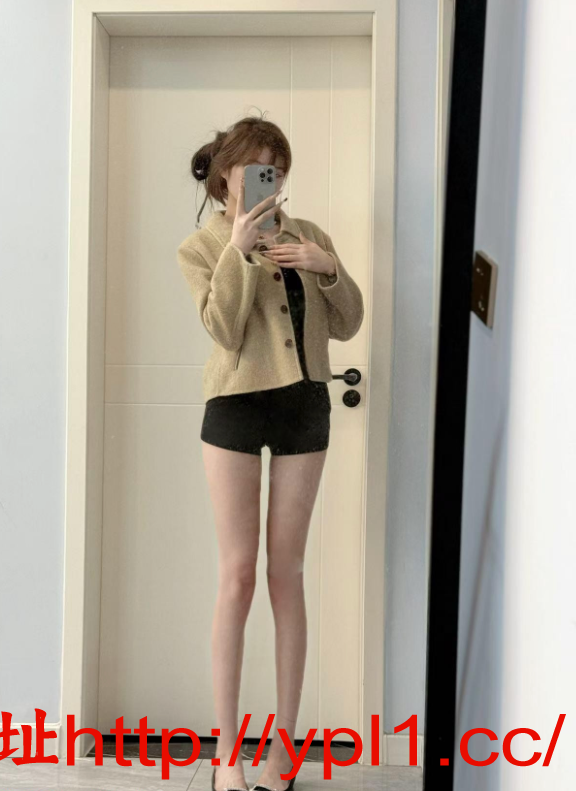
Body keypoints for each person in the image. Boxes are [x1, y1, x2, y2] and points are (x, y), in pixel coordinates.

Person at [176, 115, 364, 791]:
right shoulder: (201, 246)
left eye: (277, 170)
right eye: (257, 168)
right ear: (227, 175)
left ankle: (283, 750)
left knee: (287, 574)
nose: (269, 179)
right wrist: (239, 248)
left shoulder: (309, 236)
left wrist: (328, 269)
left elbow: (349, 322)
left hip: (304, 406)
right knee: (238, 576)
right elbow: (224, 329)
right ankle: (227, 755)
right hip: (234, 405)